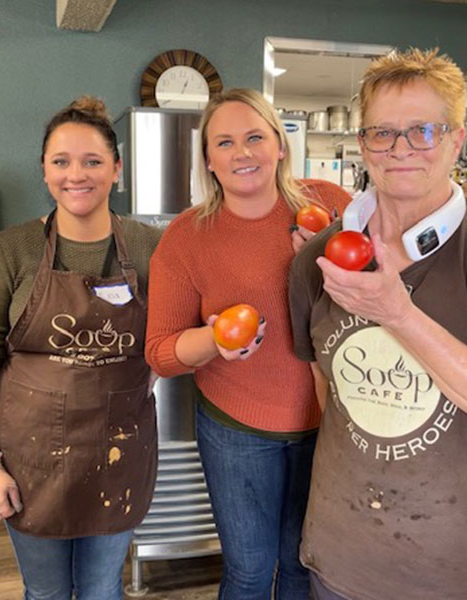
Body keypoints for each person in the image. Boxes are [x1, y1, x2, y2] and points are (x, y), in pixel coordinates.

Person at [289, 48, 467, 600]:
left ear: (456, 139)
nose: (401, 149)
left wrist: (398, 314)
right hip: (347, 566)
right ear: (363, 144)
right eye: (383, 133)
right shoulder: (316, 261)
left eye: (423, 131)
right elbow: (330, 393)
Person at [145, 88, 352, 599]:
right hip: (236, 430)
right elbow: (161, 352)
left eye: (255, 137)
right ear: (209, 160)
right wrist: (214, 341)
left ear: (280, 145)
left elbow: (386, 291)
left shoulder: (328, 206)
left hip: (330, 423)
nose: (242, 153)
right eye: (225, 142)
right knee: (250, 571)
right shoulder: (188, 235)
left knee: (304, 565)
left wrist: (327, 264)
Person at [0, 96, 162, 600]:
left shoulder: (149, 246)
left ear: (117, 169)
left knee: (100, 590)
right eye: (62, 161)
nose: (78, 174)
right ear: (45, 171)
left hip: (119, 451)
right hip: (31, 458)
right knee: (46, 593)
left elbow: (172, 336)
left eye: (93, 161)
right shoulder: (13, 249)